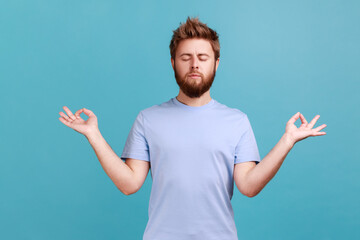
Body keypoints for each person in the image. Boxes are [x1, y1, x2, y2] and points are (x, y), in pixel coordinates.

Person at [58, 16, 327, 240]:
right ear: (173, 62)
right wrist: (94, 135)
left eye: (203, 57)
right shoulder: (148, 119)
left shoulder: (237, 121)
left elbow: (248, 185)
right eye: (185, 57)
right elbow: (129, 184)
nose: (195, 64)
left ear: (216, 63)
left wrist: (287, 141)